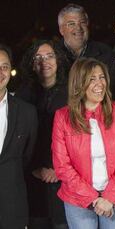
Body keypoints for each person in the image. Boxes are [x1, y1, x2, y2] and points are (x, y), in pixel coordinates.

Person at [51, 58, 115, 229]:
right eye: (91, 79)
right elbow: (62, 167)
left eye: (101, 77)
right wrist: (93, 198)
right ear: (78, 83)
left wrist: (109, 197)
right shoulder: (63, 117)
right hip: (77, 199)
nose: (99, 84)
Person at [15, 40, 69, 229]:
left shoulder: (71, 93)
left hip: (65, 177)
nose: (44, 61)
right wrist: (35, 168)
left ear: (58, 60)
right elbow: (18, 140)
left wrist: (57, 169)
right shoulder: (22, 95)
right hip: (33, 177)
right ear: (31, 63)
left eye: (49, 56)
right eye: (37, 58)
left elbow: (78, 138)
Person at [0, 44, 38, 229]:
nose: (0, 72)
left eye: (4, 67)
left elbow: (27, 157)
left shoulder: (27, 112)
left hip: (13, 207)